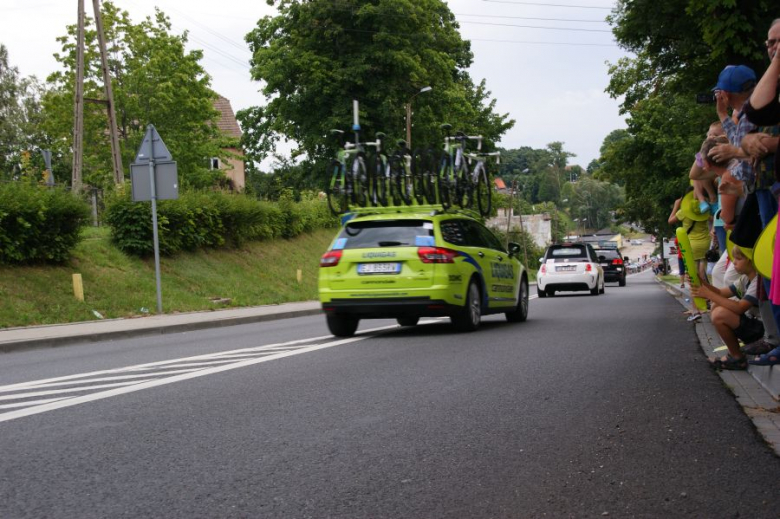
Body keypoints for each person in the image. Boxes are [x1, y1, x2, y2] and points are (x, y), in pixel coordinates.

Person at [690, 246, 763, 371]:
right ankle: (734, 352)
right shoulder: (745, 279)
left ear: (751, 261)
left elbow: (740, 308)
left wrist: (708, 294)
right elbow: (721, 292)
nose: (734, 262)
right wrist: (700, 281)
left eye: (738, 259)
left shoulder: (758, 282)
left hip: (762, 332)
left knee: (720, 314)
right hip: (754, 325)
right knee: (717, 305)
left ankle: (737, 358)